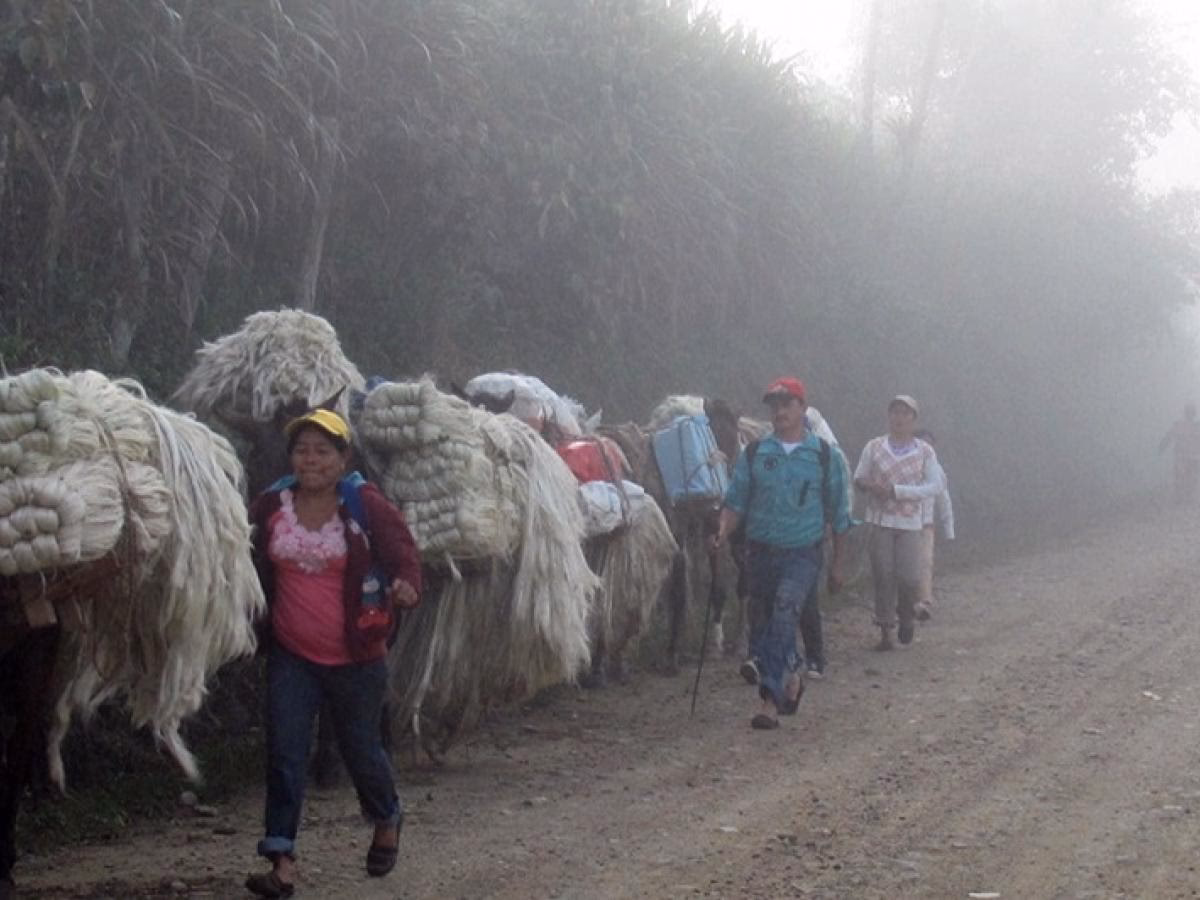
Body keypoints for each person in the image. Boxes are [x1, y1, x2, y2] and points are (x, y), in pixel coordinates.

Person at [245, 408, 421, 898]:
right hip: (292, 654)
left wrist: (407, 585)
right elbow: (241, 547)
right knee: (284, 752)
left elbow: (404, 555)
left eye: (323, 450)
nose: (311, 459)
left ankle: (386, 817)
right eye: (302, 450)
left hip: (357, 656)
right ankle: (281, 861)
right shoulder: (272, 504)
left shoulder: (366, 505)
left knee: (361, 751)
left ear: (343, 458)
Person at [711, 377, 851, 730]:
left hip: (802, 553)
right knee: (763, 628)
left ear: (802, 408)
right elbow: (736, 500)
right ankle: (791, 678)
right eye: (774, 405)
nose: (780, 411)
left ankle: (768, 702)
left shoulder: (823, 455)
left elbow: (839, 513)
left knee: (786, 611)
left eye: (787, 404)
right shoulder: (756, 453)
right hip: (760, 553)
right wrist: (723, 530)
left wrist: (837, 564)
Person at [854, 395, 946, 650]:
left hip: (910, 523)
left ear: (914, 419)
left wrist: (898, 491)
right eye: (895, 412)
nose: (899, 418)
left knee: (909, 577)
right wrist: (869, 486)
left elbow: (934, 485)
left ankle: (905, 615)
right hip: (880, 520)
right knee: (883, 574)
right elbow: (859, 477)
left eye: (905, 413)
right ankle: (885, 630)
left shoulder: (925, 452)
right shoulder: (874, 447)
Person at [912, 429, 955, 622]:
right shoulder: (903, 466)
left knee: (924, 563)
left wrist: (949, 531)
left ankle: (925, 601)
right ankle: (906, 602)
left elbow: (944, 500)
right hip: (903, 523)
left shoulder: (936, 471)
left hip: (926, 525)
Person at [1158, 403, 1200, 504]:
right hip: (1191, 458)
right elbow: (1169, 437)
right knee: (1189, 478)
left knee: (1182, 478)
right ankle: (1185, 498)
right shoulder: (1195, 427)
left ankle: (1182, 498)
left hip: (1184, 458)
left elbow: (1168, 437)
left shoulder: (1180, 425)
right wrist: (1162, 446)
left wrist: (1162, 447)